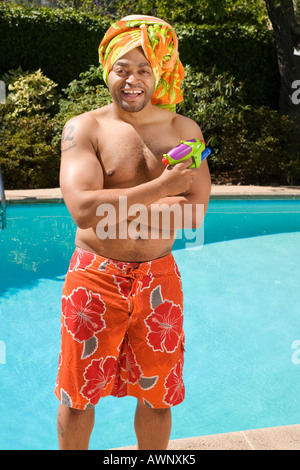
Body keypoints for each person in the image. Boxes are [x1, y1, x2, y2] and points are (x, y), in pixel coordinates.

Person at [55, 15, 211, 450]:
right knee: (78, 394)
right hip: (94, 276)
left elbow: (194, 214)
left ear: (157, 73)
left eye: (144, 69)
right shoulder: (84, 129)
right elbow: (83, 210)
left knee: (159, 397)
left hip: (159, 276)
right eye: (123, 67)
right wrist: (162, 188)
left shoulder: (185, 133)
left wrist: (117, 206)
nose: (133, 80)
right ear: (107, 68)